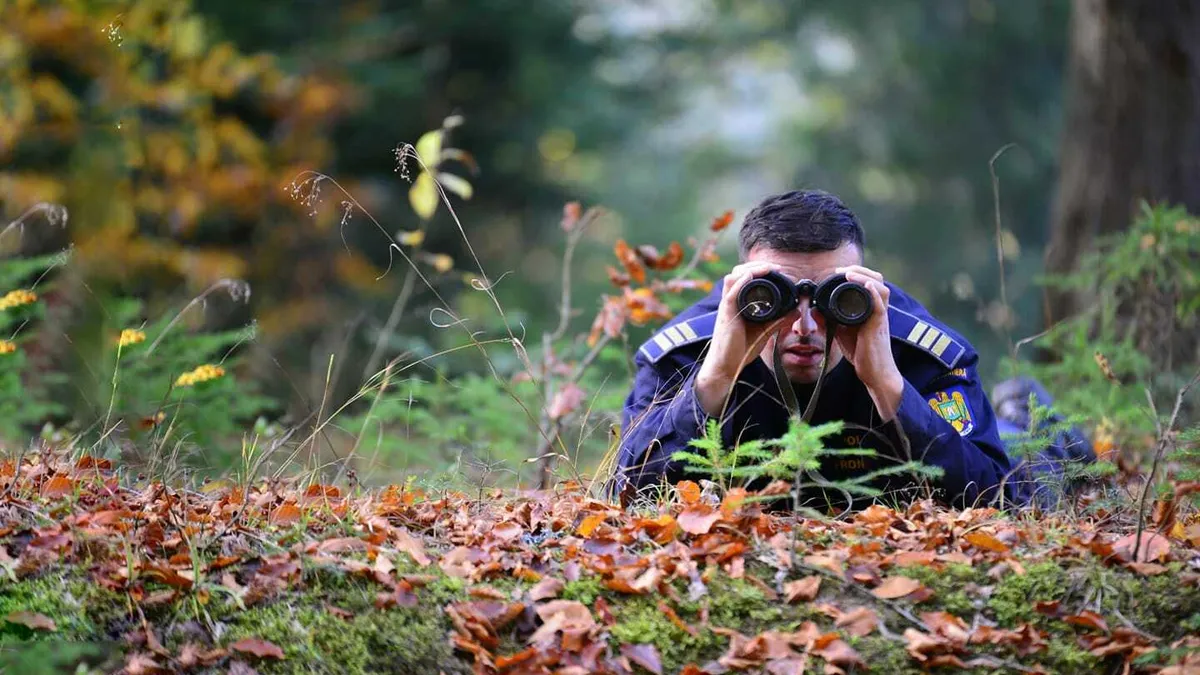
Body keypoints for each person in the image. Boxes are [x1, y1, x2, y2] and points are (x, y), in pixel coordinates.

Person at [612, 189, 1092, 511]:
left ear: (860, 287)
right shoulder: (682, 354)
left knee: (1033, 468)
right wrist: (714, 380)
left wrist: (890, 387)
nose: (805, 325)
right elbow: (625, 491)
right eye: (775, 297)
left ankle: (1032, 416)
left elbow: (998, 498)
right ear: (743, 289)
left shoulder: (925, 352)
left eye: (831, 299)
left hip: (998, 446)